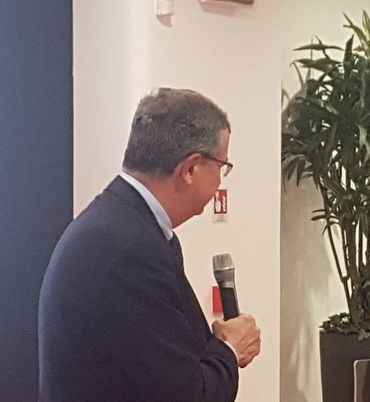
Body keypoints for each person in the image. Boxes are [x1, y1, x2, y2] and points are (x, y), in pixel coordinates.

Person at [38, 88, 261, 401]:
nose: (221, 182)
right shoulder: (129, 251)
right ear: (191, 168)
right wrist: (229, 349)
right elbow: (183, 394)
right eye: (222, 166)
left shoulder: (122, 225)